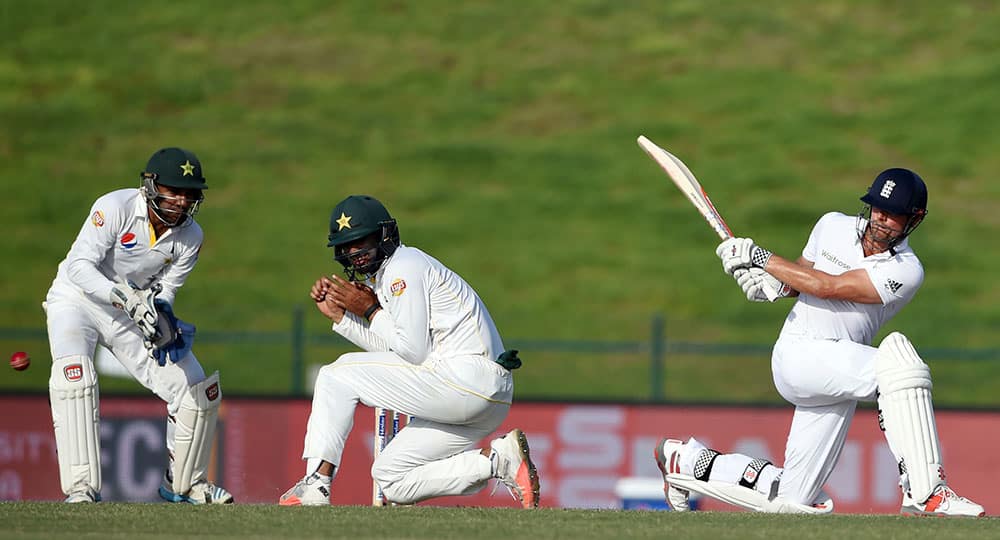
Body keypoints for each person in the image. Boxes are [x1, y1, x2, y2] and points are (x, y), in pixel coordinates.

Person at [654, 168, 985, 517]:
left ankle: (686, 462)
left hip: (839, 371)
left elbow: (831, 287)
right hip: (800, 352)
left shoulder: (906, 270)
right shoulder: (831, 225)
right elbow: (801, 276)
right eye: (877, 208)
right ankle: (929, 493)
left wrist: (761, 258)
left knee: (793, 501)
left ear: (914, 219)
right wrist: (772, 284)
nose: (881, 219)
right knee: (901, 365)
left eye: (893, 214)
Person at [279, 195, 539, 508]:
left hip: (468, 380)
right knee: (392, 478)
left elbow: (413, 352)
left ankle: (316, 483)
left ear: (385, 235)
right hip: (478, 395)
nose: (354, 253)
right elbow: (401, 352)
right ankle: (498, 460)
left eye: (362, 241)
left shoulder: (403, 267)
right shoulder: (391, 275)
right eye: (347, 246)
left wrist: (371, 309)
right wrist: (344, 319)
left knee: (335, 375)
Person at [44, 147, 233, 504]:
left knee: (195, 387)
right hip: (77, 300)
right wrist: (125, 297)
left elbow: (167, 289)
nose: (181, 201)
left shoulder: (190, 236)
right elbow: (79, 268)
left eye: (189, 193)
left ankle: (186, 482)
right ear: (150, 185)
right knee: (75, 376)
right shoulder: (114, 207)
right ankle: (81, 488)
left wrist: (160, 316)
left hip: (132, 311)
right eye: (173, 190)